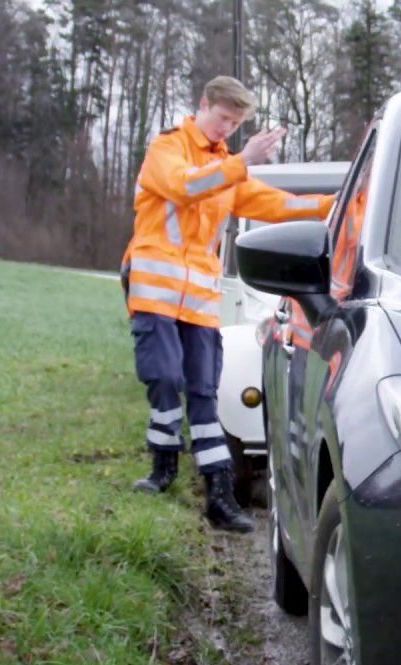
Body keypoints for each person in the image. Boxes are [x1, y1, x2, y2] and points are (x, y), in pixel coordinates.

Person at [120, 75, 335, 533]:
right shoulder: (168, 149)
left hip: (198, 299)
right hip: (155, 291)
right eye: (223, 119)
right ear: (203, 105)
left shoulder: (226, 166)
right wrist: (243, 161)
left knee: (203, 391)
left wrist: (332, 206)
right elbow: (183, 186)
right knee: (163, 377)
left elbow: (275, 205)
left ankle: (218, 495)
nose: (226, 129)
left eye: (235, 124)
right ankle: (163, 469)